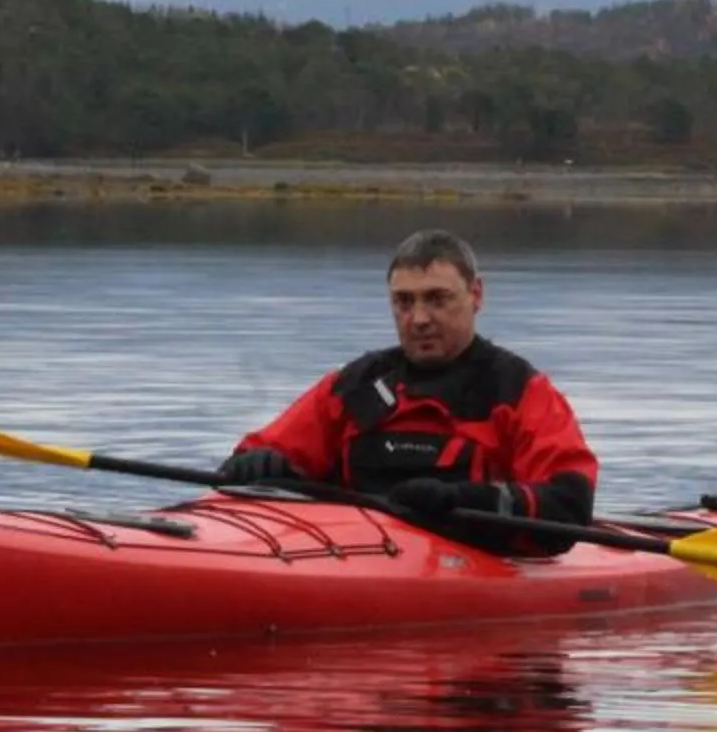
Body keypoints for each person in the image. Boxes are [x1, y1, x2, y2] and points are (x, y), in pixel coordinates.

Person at [217, 229, 597, 548]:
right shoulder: (355, 386)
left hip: (468, 561)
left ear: (476, 295)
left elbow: (568, 506)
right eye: (404, 301)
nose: (418, 319)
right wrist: (257, 462)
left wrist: (461, 500)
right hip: (355, 553)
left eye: (437, 299)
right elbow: (264, 450)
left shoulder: (519, 391)